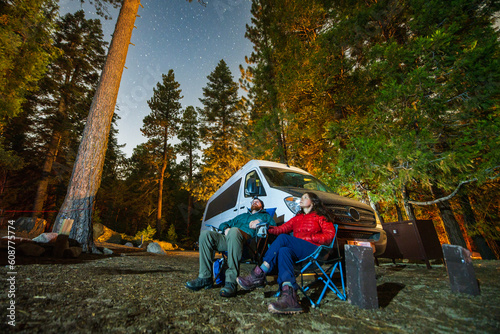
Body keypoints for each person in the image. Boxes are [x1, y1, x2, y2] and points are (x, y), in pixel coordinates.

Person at [236, 192, 336, 314]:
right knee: (284, 251)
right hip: (300, 254)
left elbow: (330, 236)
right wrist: (265, 227)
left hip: (315, 251)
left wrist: (310, 238)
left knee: (284, 239)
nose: (301, 199)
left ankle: (259, 272)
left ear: (313, 202)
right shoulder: (297, 218)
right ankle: (290, 297)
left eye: (305, 197)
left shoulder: (320, 217)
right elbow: (281, 229)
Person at [185, 197, 276, 297]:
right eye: (253, 201)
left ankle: (231, 281)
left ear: (261, 206)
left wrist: (260, 222)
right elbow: (223, 224)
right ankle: (205, 278)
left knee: (234, 231)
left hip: (248, 243)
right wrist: (225, 228)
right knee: (205, 235)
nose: (255, 202)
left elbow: (273, 228)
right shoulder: (242, 216)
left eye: (257, 202)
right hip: (230, 239)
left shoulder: (265, 216)